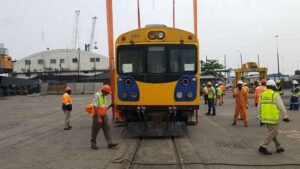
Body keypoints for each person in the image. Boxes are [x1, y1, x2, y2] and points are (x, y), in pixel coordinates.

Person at [258, 80, 290, 155]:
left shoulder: (262, 94)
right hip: (273, 118)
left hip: (265, 118)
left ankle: (278, 147)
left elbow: (259, 107)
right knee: (272, 133)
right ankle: (263, 146)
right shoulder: (275, 94)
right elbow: (281, 106)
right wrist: (285, 116)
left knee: (273, 133)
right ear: (273, 86)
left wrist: (260, 116)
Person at [91, 85, 118, 149]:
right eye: (107, 92)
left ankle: (110, 143)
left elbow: (103, 106)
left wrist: (109, 106)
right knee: (95, 130)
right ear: (104, 91)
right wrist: (98, 118)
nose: (108, 94)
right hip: (97, 116)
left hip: (104, 116)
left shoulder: (104, 96)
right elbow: (95, 107)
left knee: (107, 129)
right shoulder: (96, 96)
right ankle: (93, 143)